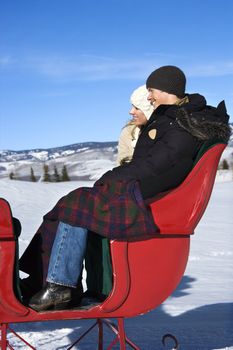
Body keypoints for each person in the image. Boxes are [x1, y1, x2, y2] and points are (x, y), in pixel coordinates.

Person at [19, 65, 231, 312]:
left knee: (78, 202)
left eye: (151, 90)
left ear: (165, 89)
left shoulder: (180, 124)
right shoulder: (172, 118)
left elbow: (157, 165)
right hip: (141, 189)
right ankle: (44, 281)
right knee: (72, 201)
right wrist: (116, 178)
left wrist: (114, 178)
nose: (149, 95)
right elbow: (150, 164)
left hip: (147, 196)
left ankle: (61, 286)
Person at [117, 84, 154, 165]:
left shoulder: (167, 130)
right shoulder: (128, 133)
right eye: (132, 107)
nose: (131, 112)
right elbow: (121, 162)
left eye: (137, 108)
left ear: (150, 110)